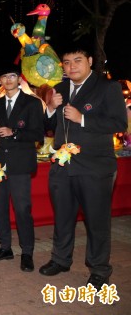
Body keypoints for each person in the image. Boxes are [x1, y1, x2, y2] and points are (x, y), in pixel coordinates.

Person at [39, 48, 127, 288]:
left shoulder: (108, 87)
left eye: (77, 61)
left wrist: (83, 119)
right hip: (62, 166)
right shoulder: (59, 88)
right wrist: (49, 107)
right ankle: (60, 259)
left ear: (89, 62)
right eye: (67, 63)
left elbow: (120, 122)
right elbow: (47, 126)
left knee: (97, 221)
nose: (71, 67)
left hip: (94, 166)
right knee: (63, 217)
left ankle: (99, 269)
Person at [0, 65, 44, 273]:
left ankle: (27, 252)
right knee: (0, 207)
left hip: (20, 164)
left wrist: (15, 132)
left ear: (19, 79)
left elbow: (38, 134)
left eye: (12, 76)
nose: (8, 80)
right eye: (4, 76)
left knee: (22, 209)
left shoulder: (33, 103)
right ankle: (5, 247)